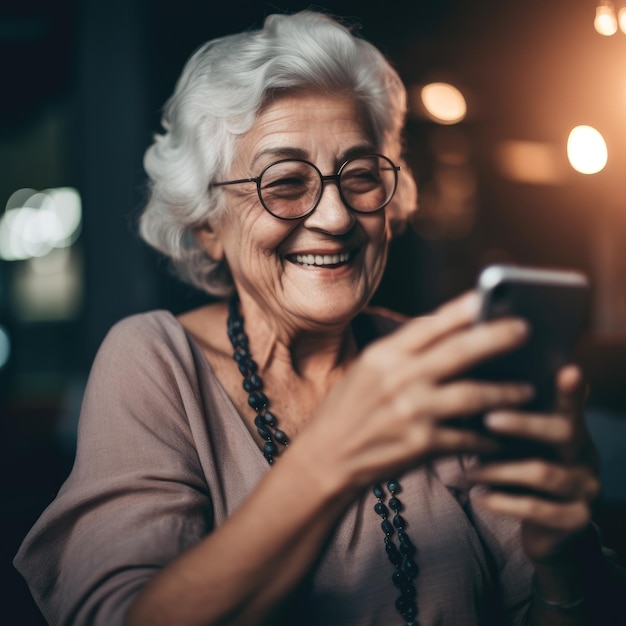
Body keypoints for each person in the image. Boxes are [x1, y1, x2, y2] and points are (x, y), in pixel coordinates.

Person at [14, 9, 625, 626]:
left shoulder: (436, 365)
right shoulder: (156, 360)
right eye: (284, 183)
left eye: (359, 177)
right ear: (207, 227)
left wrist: (563, 556)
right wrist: (333, 459)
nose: (335, 218)